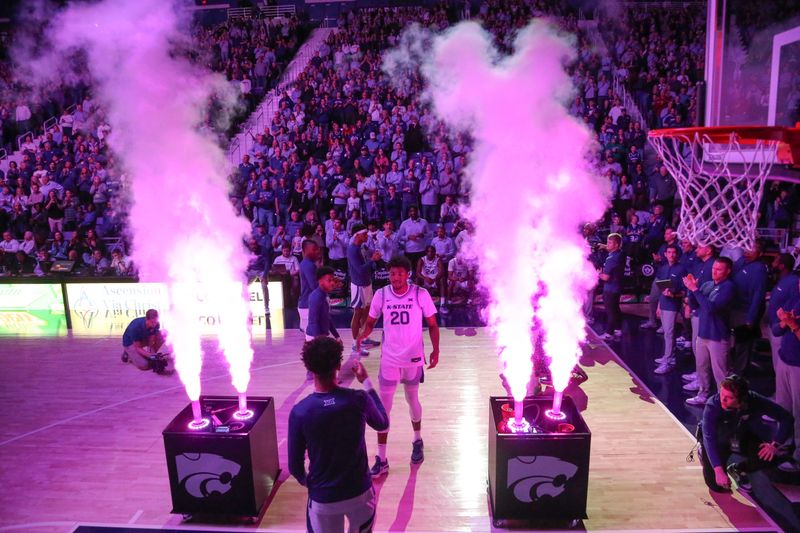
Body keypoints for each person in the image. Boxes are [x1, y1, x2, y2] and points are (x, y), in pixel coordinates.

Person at [288, 336, 389, 533]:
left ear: (309, 368)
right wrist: (366, 382)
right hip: (360, 493)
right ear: (338, 364)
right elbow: (382, 424)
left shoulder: (301, 411)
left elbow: (295, 466)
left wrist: (311, 484)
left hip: (323, 499)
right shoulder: (358, 399)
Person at [356, 256, 440, 477]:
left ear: (408, 274)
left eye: (400, 273)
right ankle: (382, 459)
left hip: (413, 358)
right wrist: (362, 334)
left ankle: (417, 439)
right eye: (392, 273)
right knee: (384, 409)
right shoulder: (381, 294)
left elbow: (432, 324)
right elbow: (372, 322)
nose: (396, 277)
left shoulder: (420, 294)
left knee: (412, 399)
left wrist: (436, 350)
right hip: (390, 360)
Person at [700, 375, 800, 532]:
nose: (722, 400)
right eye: (721, 395)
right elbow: (709, 438)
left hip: (740, 437)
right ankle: (705, 454)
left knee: (769, 457)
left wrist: (775, 444)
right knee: (716, 485)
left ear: (741, 399)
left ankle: (739, 468)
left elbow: (786, 418)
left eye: (728, 398)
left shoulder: (754, 400)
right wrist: (718, 469)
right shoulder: (713, 405)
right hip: (717, 441)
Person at [684, 257, 735, 405]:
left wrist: (695, 290)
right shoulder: (707, 285)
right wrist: (690, 290)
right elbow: (694, 304)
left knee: (720, 372)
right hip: (703, 333)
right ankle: (703, 393)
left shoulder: (728, 287)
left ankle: (723, 400)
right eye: (713, 268)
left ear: (728, 271)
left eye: (719, 269)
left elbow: (711, 308)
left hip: (718, 336)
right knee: (701, 367)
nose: (714, 271)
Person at [347, 224, 382, 355]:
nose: (366, 236)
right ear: (357, 235)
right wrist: (372, 260)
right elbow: (360, 269)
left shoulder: (361, 247)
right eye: (364, 234)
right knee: (357, 313)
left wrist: (374, 257)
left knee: (367, 312)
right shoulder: (352, 250)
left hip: (367, 283)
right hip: (359, 285)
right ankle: (355, 343)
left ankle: (363, 338)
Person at [654, 245, 686, 374]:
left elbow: (685, 291)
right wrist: (658, 306)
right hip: (664, 304)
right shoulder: (663, 268)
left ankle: (669, 360)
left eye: (674, 252)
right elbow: (662, 289)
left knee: (669, 333)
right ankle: (667, 357)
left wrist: (673, 295)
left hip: (672, 305)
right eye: (669, 252)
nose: (671, 255)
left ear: (677, 254)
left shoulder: (682, 269)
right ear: (665, 254)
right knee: (667, 333)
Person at [599, 233, 625, 341]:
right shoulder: (621, 254)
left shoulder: (611, 258)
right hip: (617, 287)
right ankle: (618, 329)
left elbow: (605, 277)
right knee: (615, 308)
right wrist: (605, 246)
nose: (607, 244)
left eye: (610, 242)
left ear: (616, 244)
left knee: (611, 311)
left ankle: (609, 333)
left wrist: (598, 274)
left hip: (610, 289)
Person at [306, 266, 342, 343]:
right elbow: (313, 322)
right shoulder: (316, 297)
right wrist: (319, 342)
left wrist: (337, 336)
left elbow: (327, 318)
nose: (332, 283)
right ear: (320, 281)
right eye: (329, 280)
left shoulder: (324, 294)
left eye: (333, 280)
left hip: (321, 336)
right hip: (314, 338)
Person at [298, 240, 321, 334]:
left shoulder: (307, 263)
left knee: (311, 339)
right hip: (308, 305)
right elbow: (314, 286)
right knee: (313, 338)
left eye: (318, 249)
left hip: (305, 304)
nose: (318, 251)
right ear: (306, 251)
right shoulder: (308, 265)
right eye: (314, 249)